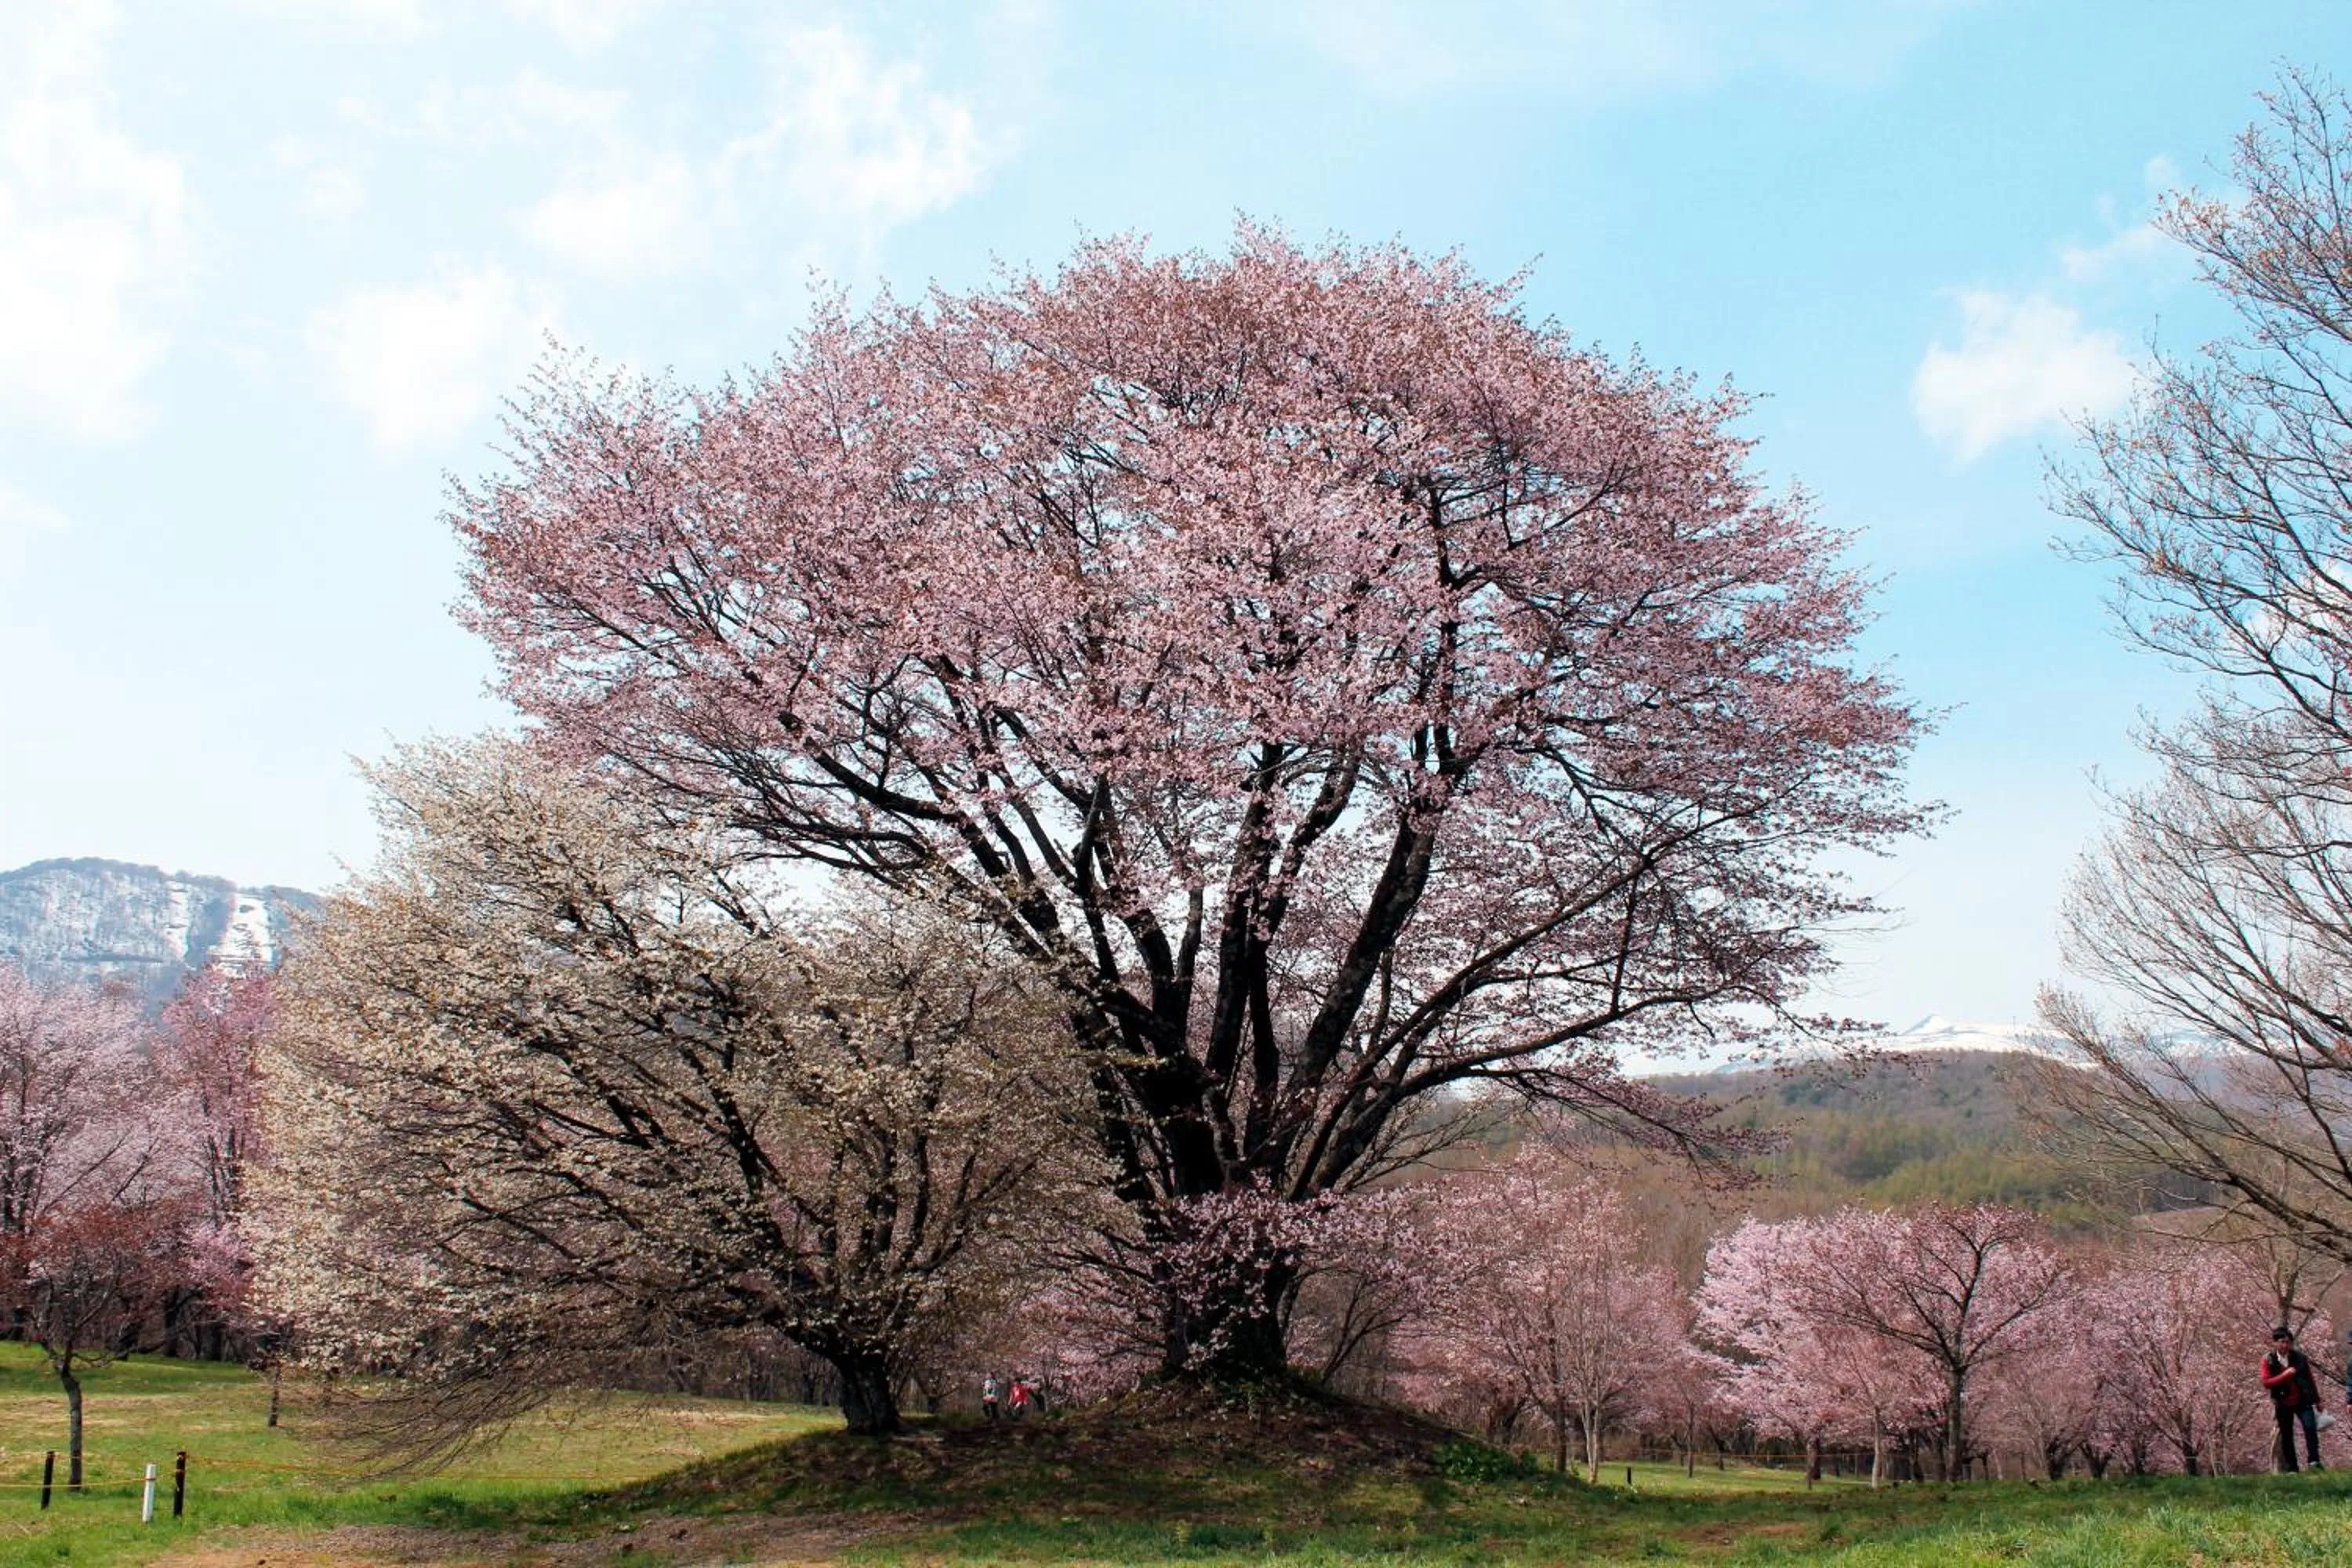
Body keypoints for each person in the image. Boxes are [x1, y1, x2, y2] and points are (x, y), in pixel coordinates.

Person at [2262, 1327, 2324, 1472]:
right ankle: (2292, 1468)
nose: (2285, 1345)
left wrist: (2317, 1400)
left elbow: (2310, 1379)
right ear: (2275, 1343)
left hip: (2302, 1399)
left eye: (2288, 1342)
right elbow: (2266, 1382)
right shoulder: (2268, 1360)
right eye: (2282, 1342)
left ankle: (2314, 1461)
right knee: (2287, 1434)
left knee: (2310, 1427)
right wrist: (2285, 1375)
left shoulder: (2299, 1358)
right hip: (2282, 1401)